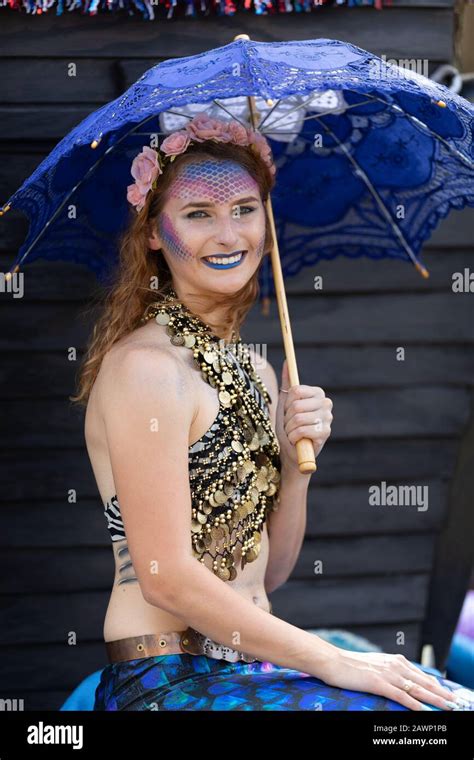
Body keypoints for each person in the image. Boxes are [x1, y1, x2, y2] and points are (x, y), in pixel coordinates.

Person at [71, 113, 472, 711]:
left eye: (245, 209)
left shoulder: (256, 372)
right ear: (154, 233)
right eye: (198, 215)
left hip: (254, 665)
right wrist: (335, 660)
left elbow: (271, 574)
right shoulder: (145, 370)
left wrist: (293, 463)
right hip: (170, 679)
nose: (229, 235)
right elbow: (165, 577)